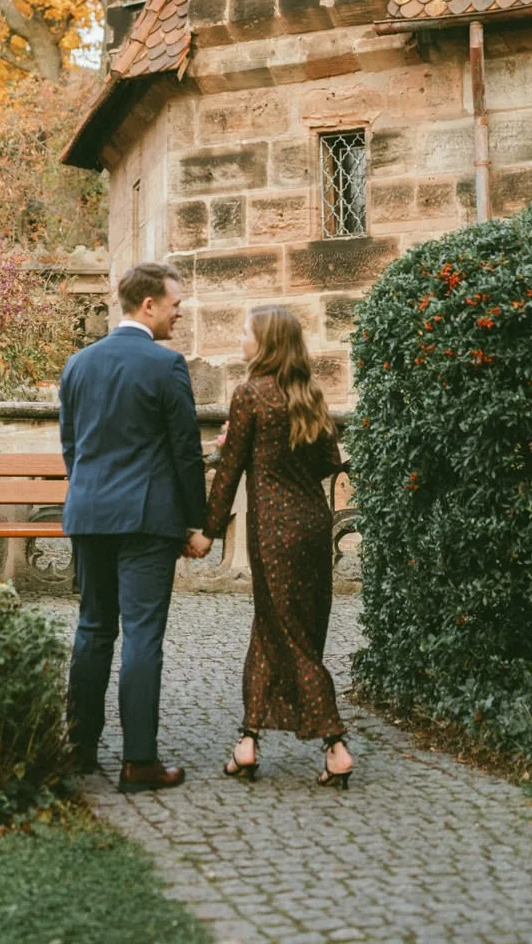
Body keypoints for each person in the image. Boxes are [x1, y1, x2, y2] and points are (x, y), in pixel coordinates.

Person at [188, 306, 354, 789]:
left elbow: (229, 473)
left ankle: (335, 744)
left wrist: (209, 531)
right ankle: (248, 740)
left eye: (247, 333)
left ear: (267, 343)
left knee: (292, 635)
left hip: (274, 533)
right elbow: (328, 463)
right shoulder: (309, 395)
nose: (241, 340)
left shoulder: (250, 394)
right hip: (312, 527)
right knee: (274, 627)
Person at [60, 261, 207, 793]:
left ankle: (79, 749)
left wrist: (89, 496)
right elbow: (185, 451)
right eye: (175, 304)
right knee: (142, 635)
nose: (179, 313)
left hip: (89, 513)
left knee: (93, 629)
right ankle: (139, 761)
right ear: (148, 305)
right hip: (146, 520)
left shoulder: (78, 364)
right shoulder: (166, 365)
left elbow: (71, 446)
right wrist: (197, 522)